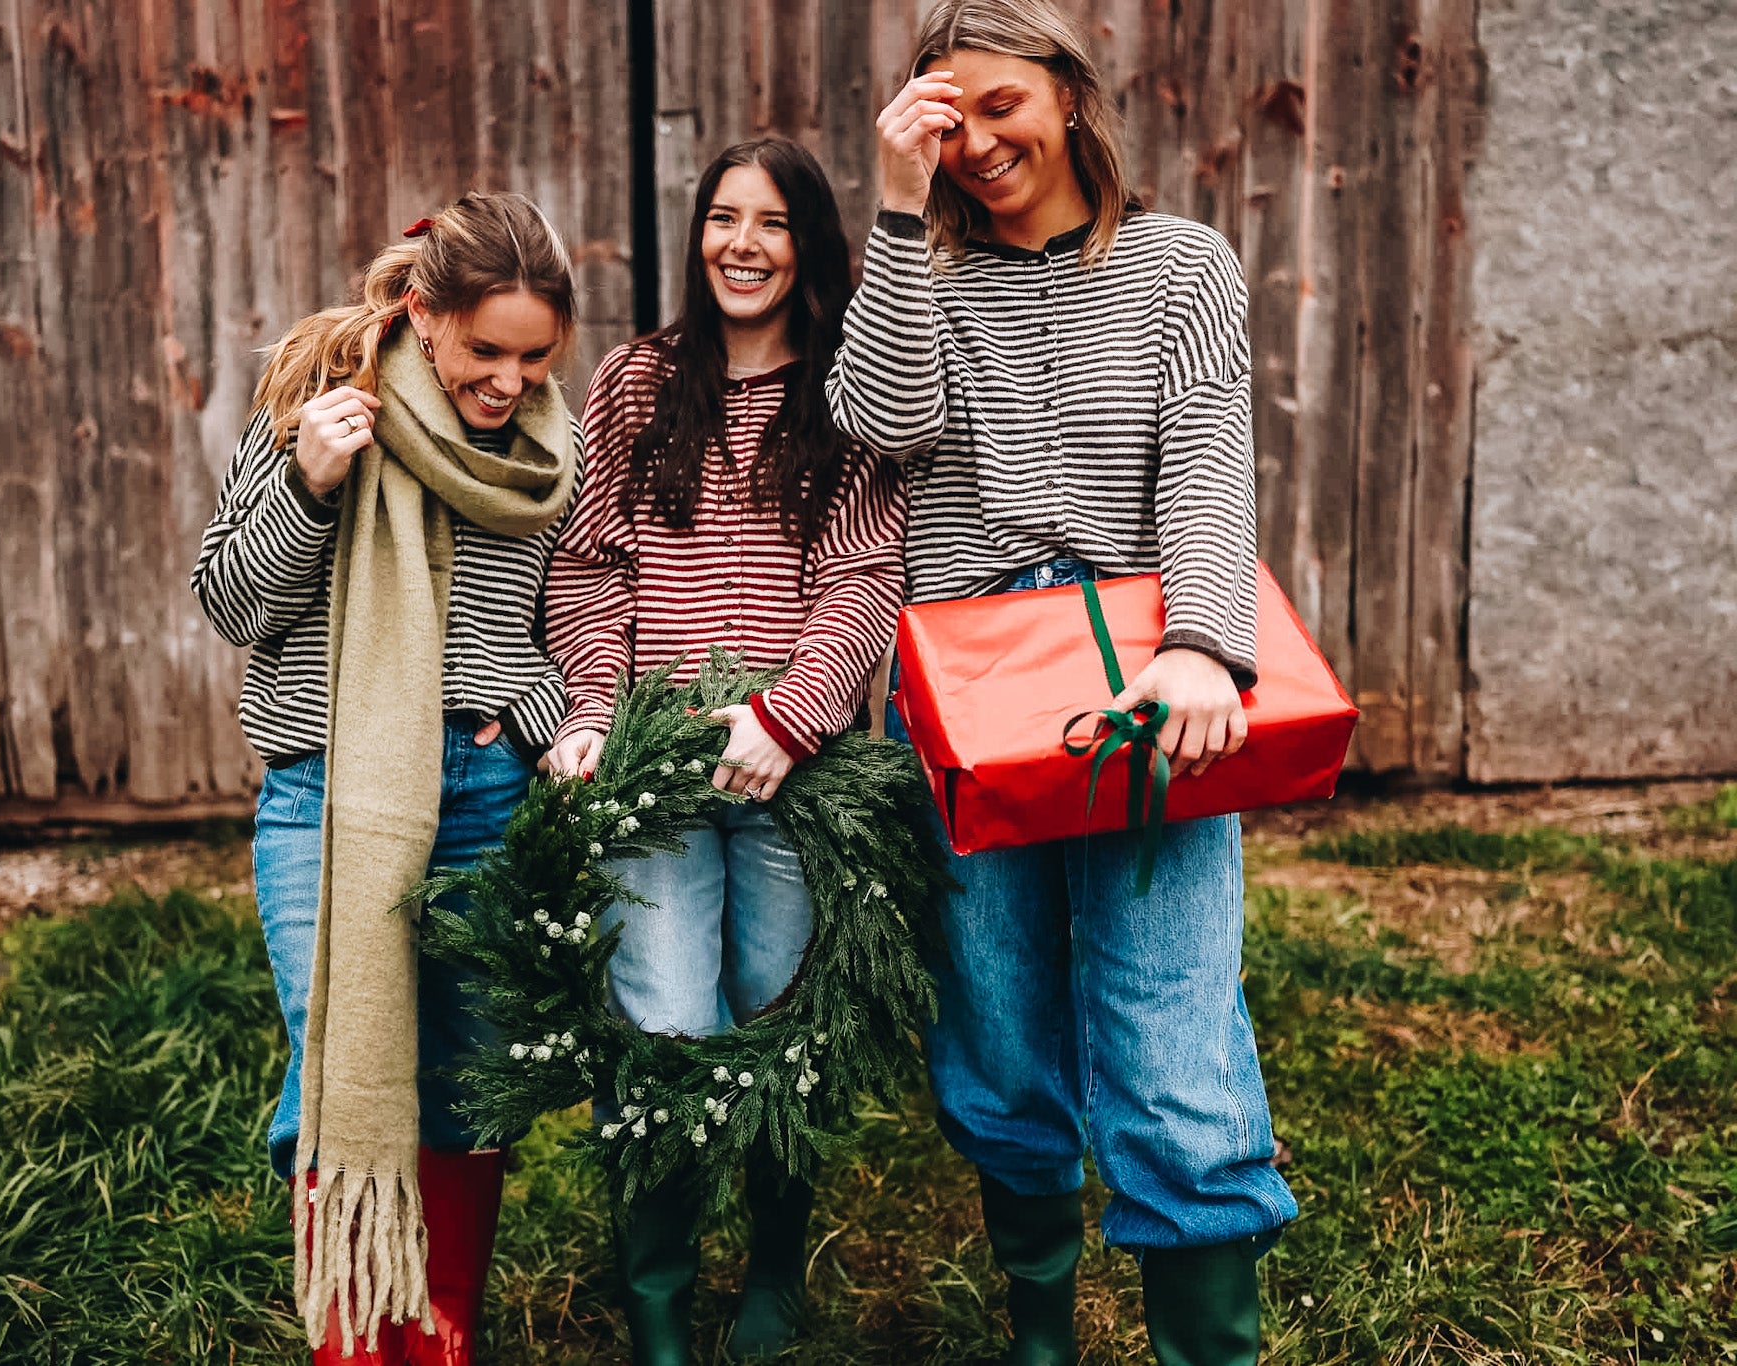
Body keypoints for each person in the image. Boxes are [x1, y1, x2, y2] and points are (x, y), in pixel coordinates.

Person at [825, 3, 1298, 1363]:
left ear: (1072, 94)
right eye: (943, 118)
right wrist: (901, 214)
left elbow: (1207, 462)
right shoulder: (925, 269)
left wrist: (1205, 643)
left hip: (1141, 681)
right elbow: (884, 417)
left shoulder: (1181, 266)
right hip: (966, 682)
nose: (975, 142)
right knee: (998, 1016)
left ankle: (1207, 1342)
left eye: (999, 106)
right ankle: (1043, 1332)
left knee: (1168, 1020)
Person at [191, 191, 580, 1366]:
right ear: (421, 311)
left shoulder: (546, 450)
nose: (509, 381)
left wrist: (536, 716)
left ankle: (438, 1325)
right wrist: (307, 484)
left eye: (533, 355)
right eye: (484, 351)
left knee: (466, 1072)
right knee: (342, 1062)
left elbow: (551, 628)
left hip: (479, 793)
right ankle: (358, 1331)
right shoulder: (317, 402)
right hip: (329, 792)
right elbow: (229, 602)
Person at [543, 137, 905, 1365]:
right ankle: (654, 1294)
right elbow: (589, 567)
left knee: (777, 1016)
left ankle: (770, 1262)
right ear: (696, 235)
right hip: (656, 764)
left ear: (809, 243)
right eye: (719, 218)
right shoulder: (637, 384)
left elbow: (864, 580)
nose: (740, 244)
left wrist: (791, 714)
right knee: (661, 1019)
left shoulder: (850, 392)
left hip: (794, 775)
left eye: (771, 223)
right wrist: (595, 710)